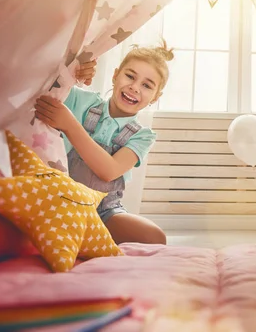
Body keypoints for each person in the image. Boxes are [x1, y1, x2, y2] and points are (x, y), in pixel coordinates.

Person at [34, 41, 173, 245]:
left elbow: (109, 171)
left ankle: (85, 237)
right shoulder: (79, 99)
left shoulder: (142, 136)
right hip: (59, 200)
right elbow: (44, 79)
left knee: (155, 237)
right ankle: (77, 238)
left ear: (155, 97)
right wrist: (76, 70)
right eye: (130, 76)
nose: (134, 87)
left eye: (146, 85)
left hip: (104, 213)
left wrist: (70, 125)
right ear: (115, 75)